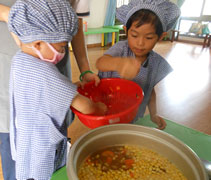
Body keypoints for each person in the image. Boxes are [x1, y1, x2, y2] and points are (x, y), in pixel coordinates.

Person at [6, 0, 107, 179]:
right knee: (43, 173)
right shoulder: (46, 72)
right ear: (38, 44)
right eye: (61, 47)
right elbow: (86, 106)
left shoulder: (19, 60)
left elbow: (41, 93)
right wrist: (100, 108)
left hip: (24, 137)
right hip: (41, 144)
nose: (62, 53)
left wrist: (72, 87)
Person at [96, 0, 181, 130]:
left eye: (148, 38)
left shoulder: (156, 63)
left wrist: (154, 114)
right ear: (126, 30)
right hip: (107, 111)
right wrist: (119, 63)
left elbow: (150, 90)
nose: (140, 43)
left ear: (160, 37)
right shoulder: (121, 49)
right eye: (134, 35)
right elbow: (100, 63)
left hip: (132, 115)